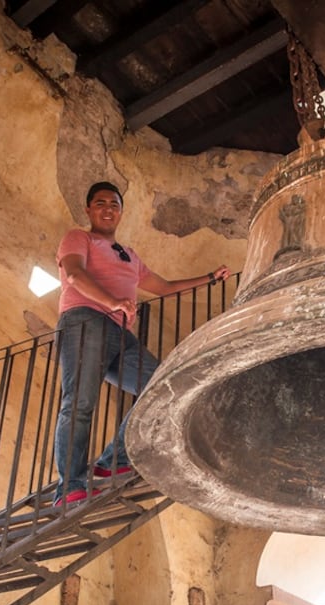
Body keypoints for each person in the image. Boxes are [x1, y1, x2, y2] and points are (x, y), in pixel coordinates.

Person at [52, 181, 230, 506]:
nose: (108, 209)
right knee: (79, 404)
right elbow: (75, 275)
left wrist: (209, 278)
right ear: (89, 210)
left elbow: (162, 286)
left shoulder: (130, 256)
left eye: (115, 204)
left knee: (159, 385)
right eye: (101, 203)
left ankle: (113, 460)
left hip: (119, 332)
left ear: (120, 212)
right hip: (85, 321)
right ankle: (69, 485)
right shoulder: (78, 238)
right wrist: (113, 302)